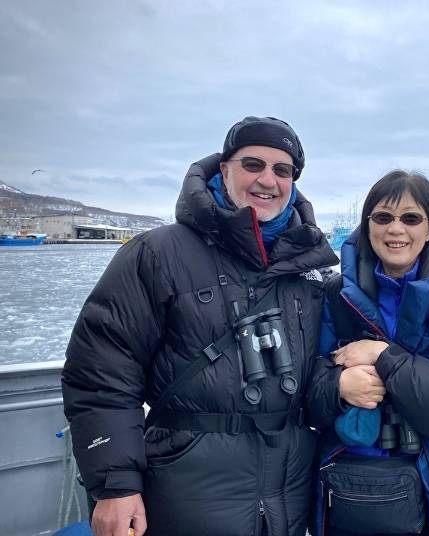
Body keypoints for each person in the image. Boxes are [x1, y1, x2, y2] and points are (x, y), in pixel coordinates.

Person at [62, 116, 339, 536]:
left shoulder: (309, 268)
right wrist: (115, 486)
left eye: (282, 170)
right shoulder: (157, 253)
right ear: (223, 169)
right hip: (184, 491)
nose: (268, 179)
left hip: (288, 495)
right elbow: (102, 372)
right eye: (253, 164)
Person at [306, 171, 429, 536]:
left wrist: (385, 357)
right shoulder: (334, 297)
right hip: (346, 491)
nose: (396, 229)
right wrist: (338, 387)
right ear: (367, 226)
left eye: (410, 218)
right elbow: (304, 392)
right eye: (383, 217)